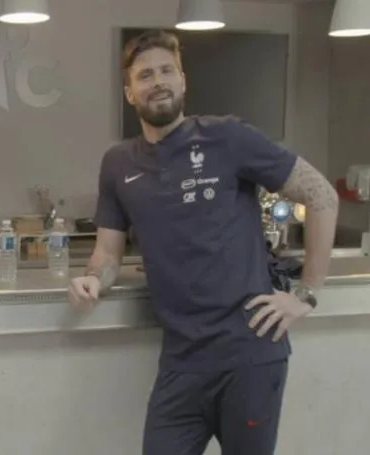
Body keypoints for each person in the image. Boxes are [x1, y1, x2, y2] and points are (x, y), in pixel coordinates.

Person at [68, 30, 338, 455]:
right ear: (129, 92)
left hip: (249, 354)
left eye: (166, 71)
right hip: (181, 361)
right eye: (144, 75)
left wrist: (307, 293)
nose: (158, 81)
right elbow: (107, 252)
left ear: (183, 80)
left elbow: (321, 194)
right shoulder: (118, 164)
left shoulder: (227, 137)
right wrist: (93, 280)